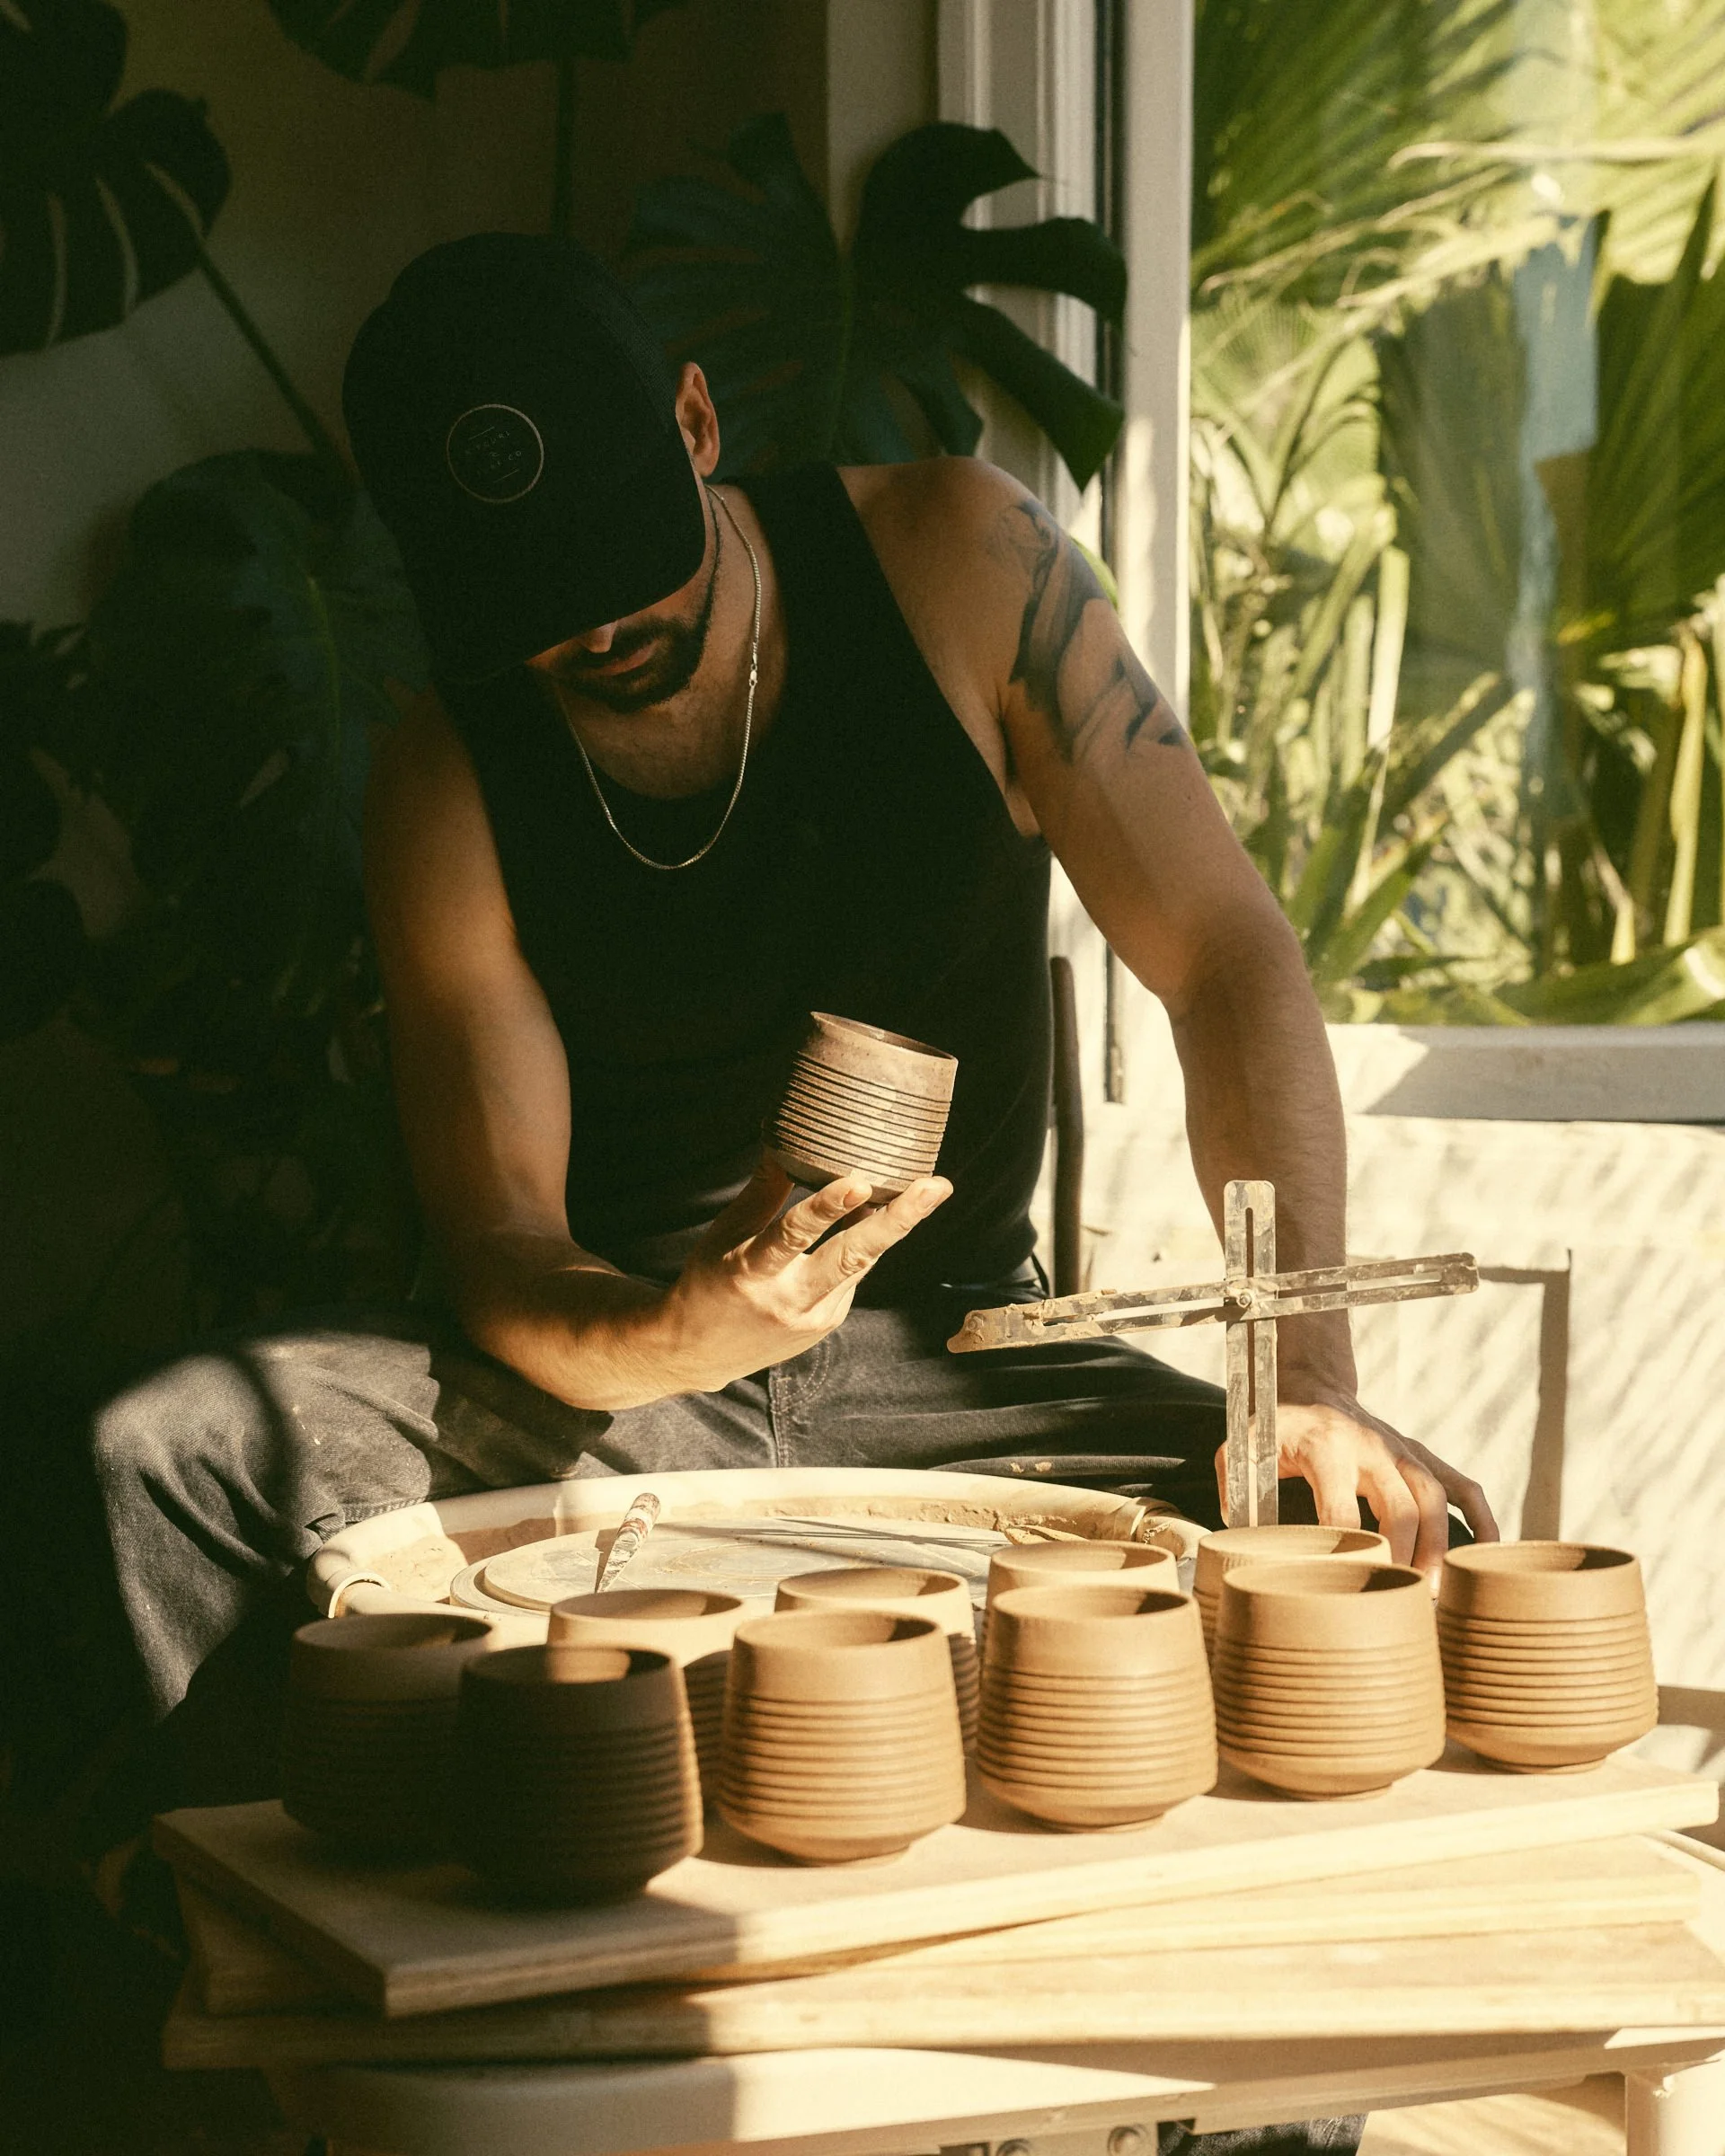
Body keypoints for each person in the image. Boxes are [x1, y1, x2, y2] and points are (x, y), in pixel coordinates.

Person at [91, 234, 1496, 1741]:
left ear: (697, 426)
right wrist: (686, 1330)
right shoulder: (448, 775)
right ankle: (281, 1937)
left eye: (621, 561)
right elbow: (503, 1241)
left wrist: (1306, 1369)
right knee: (170, 1452)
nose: (599, 630)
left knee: (1372, 1540)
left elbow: (1225, 958)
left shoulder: (961, 563)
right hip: (616, 1383)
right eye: (536, 606)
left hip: (959, 1369)